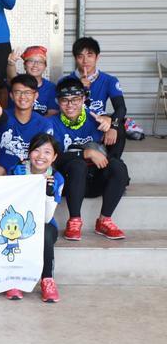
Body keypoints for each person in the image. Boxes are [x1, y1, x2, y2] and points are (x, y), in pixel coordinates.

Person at [50, 78, 129, 241]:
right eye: (65, 100)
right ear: (58, 101)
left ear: (83, 99)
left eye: (75, 99)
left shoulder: (96, 119)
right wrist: (86, 153)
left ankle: (104, 221)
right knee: (77, 165)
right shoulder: (50, 123)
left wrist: (113, 125)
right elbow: (52, 159)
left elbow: (118, 122)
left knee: (118, 166)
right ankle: (74, 221)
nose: (70, 105)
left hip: (95, 181)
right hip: (69, 183)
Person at [8, 133, 64, 303]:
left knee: (45, 232)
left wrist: (48, 194)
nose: (40, 156)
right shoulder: (16, 171)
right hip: (18, 222)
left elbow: (46, 218)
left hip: (44, 224)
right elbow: (9, 205)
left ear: (54, 157)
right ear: (29, 152)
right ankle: (13, 279)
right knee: (10, 231)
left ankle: (47, 280)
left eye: (47, 152)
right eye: (36, 150)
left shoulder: (57, 178)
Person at [59, 37, 127, 159]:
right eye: (80, 56)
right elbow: (60, 109)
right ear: (75, 58)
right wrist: (79, 87)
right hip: (74, 126)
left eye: (89, 55)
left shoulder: (109, 80)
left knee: (119, 126)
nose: (85, 61)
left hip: (97, 124)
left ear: (97, 57)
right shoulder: (65, 81)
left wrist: (113, 126)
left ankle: (112, 162)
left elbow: (121, 108)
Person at [0, 75, 54, 176]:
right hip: (5, 174)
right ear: (11, 95)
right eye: (18, 92)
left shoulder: (44, 124)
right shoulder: (2, 116)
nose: (23, 97)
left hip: (31, 173)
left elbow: (46, 156)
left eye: (27, 92)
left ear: (35, 96)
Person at [6, 45, 58, 117]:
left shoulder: (51, 88)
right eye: (31, 61)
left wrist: (34, 123)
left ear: (45, 66)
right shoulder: (17, 81)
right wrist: (11, 63)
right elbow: (11, 77)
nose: (35, 65)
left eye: (40, 62)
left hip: (41, 123)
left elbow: (52, 112)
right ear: (24, 65)